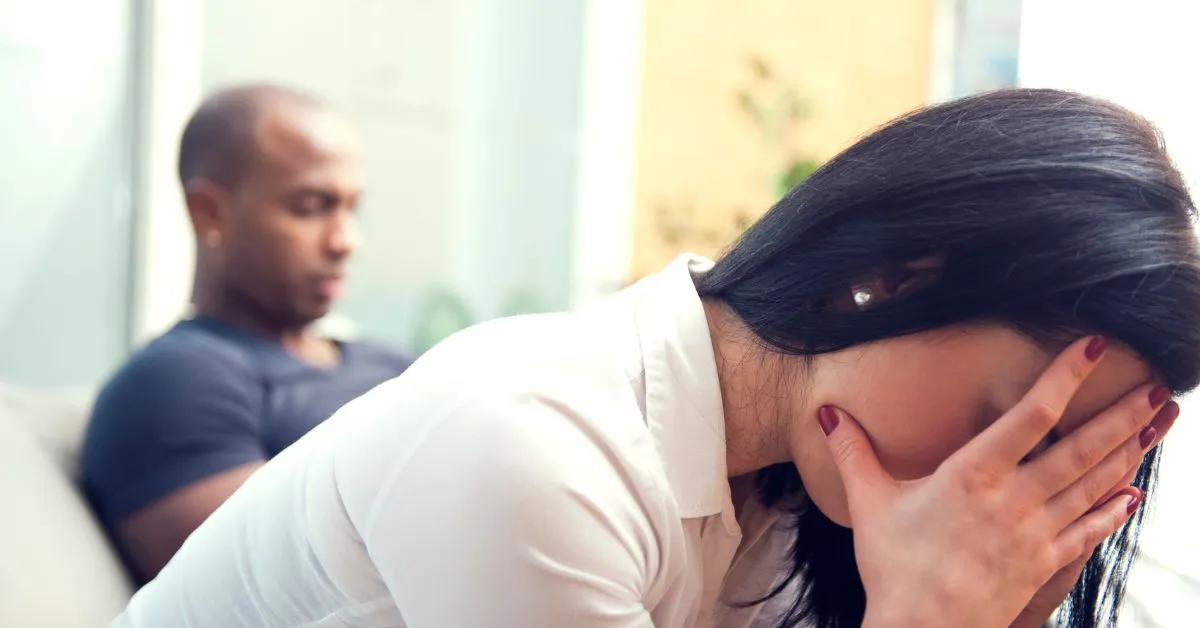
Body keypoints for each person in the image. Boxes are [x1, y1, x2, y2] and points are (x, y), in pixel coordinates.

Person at [109, 88, 1199, 628]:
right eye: (1009, 419)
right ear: (896, 273)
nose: (998, 495)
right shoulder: (533, 449)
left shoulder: (780, 502)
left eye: (1075, 461)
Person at [82, 84, 413, 583]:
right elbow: (271, 595)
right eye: (311, 207)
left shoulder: (392, 363)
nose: (346, 240)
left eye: (351, 209)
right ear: (210, 212)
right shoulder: (177, 380)